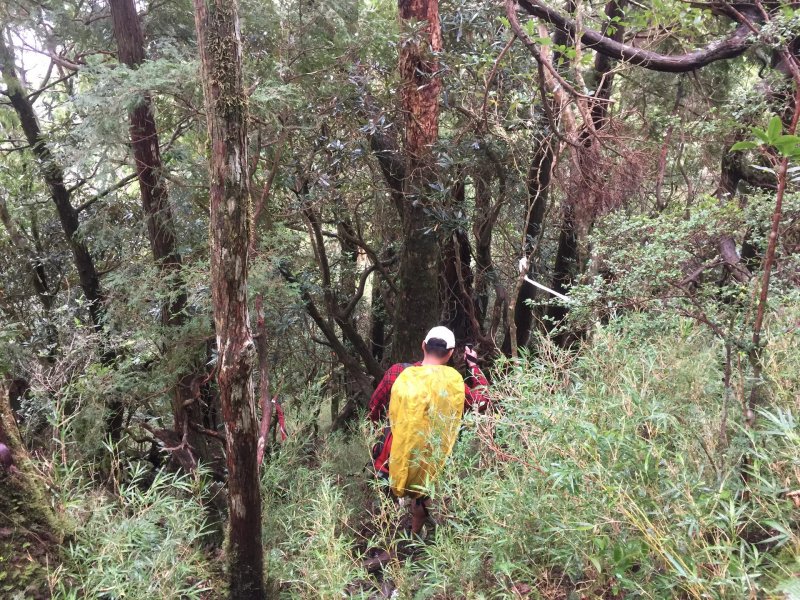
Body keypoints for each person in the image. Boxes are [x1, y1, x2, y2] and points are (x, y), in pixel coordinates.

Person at [368, 326, 489, 534]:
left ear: (423, 345)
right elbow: (482, 402)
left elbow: (374, 409)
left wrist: (381, 434)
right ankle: (413, 537)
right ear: (451, 353)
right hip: (430, 460)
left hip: (391, 457)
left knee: (385, 503)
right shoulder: (455, 384)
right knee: (423, 495)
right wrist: (474, 367)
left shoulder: (398, 372)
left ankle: (388, 543)